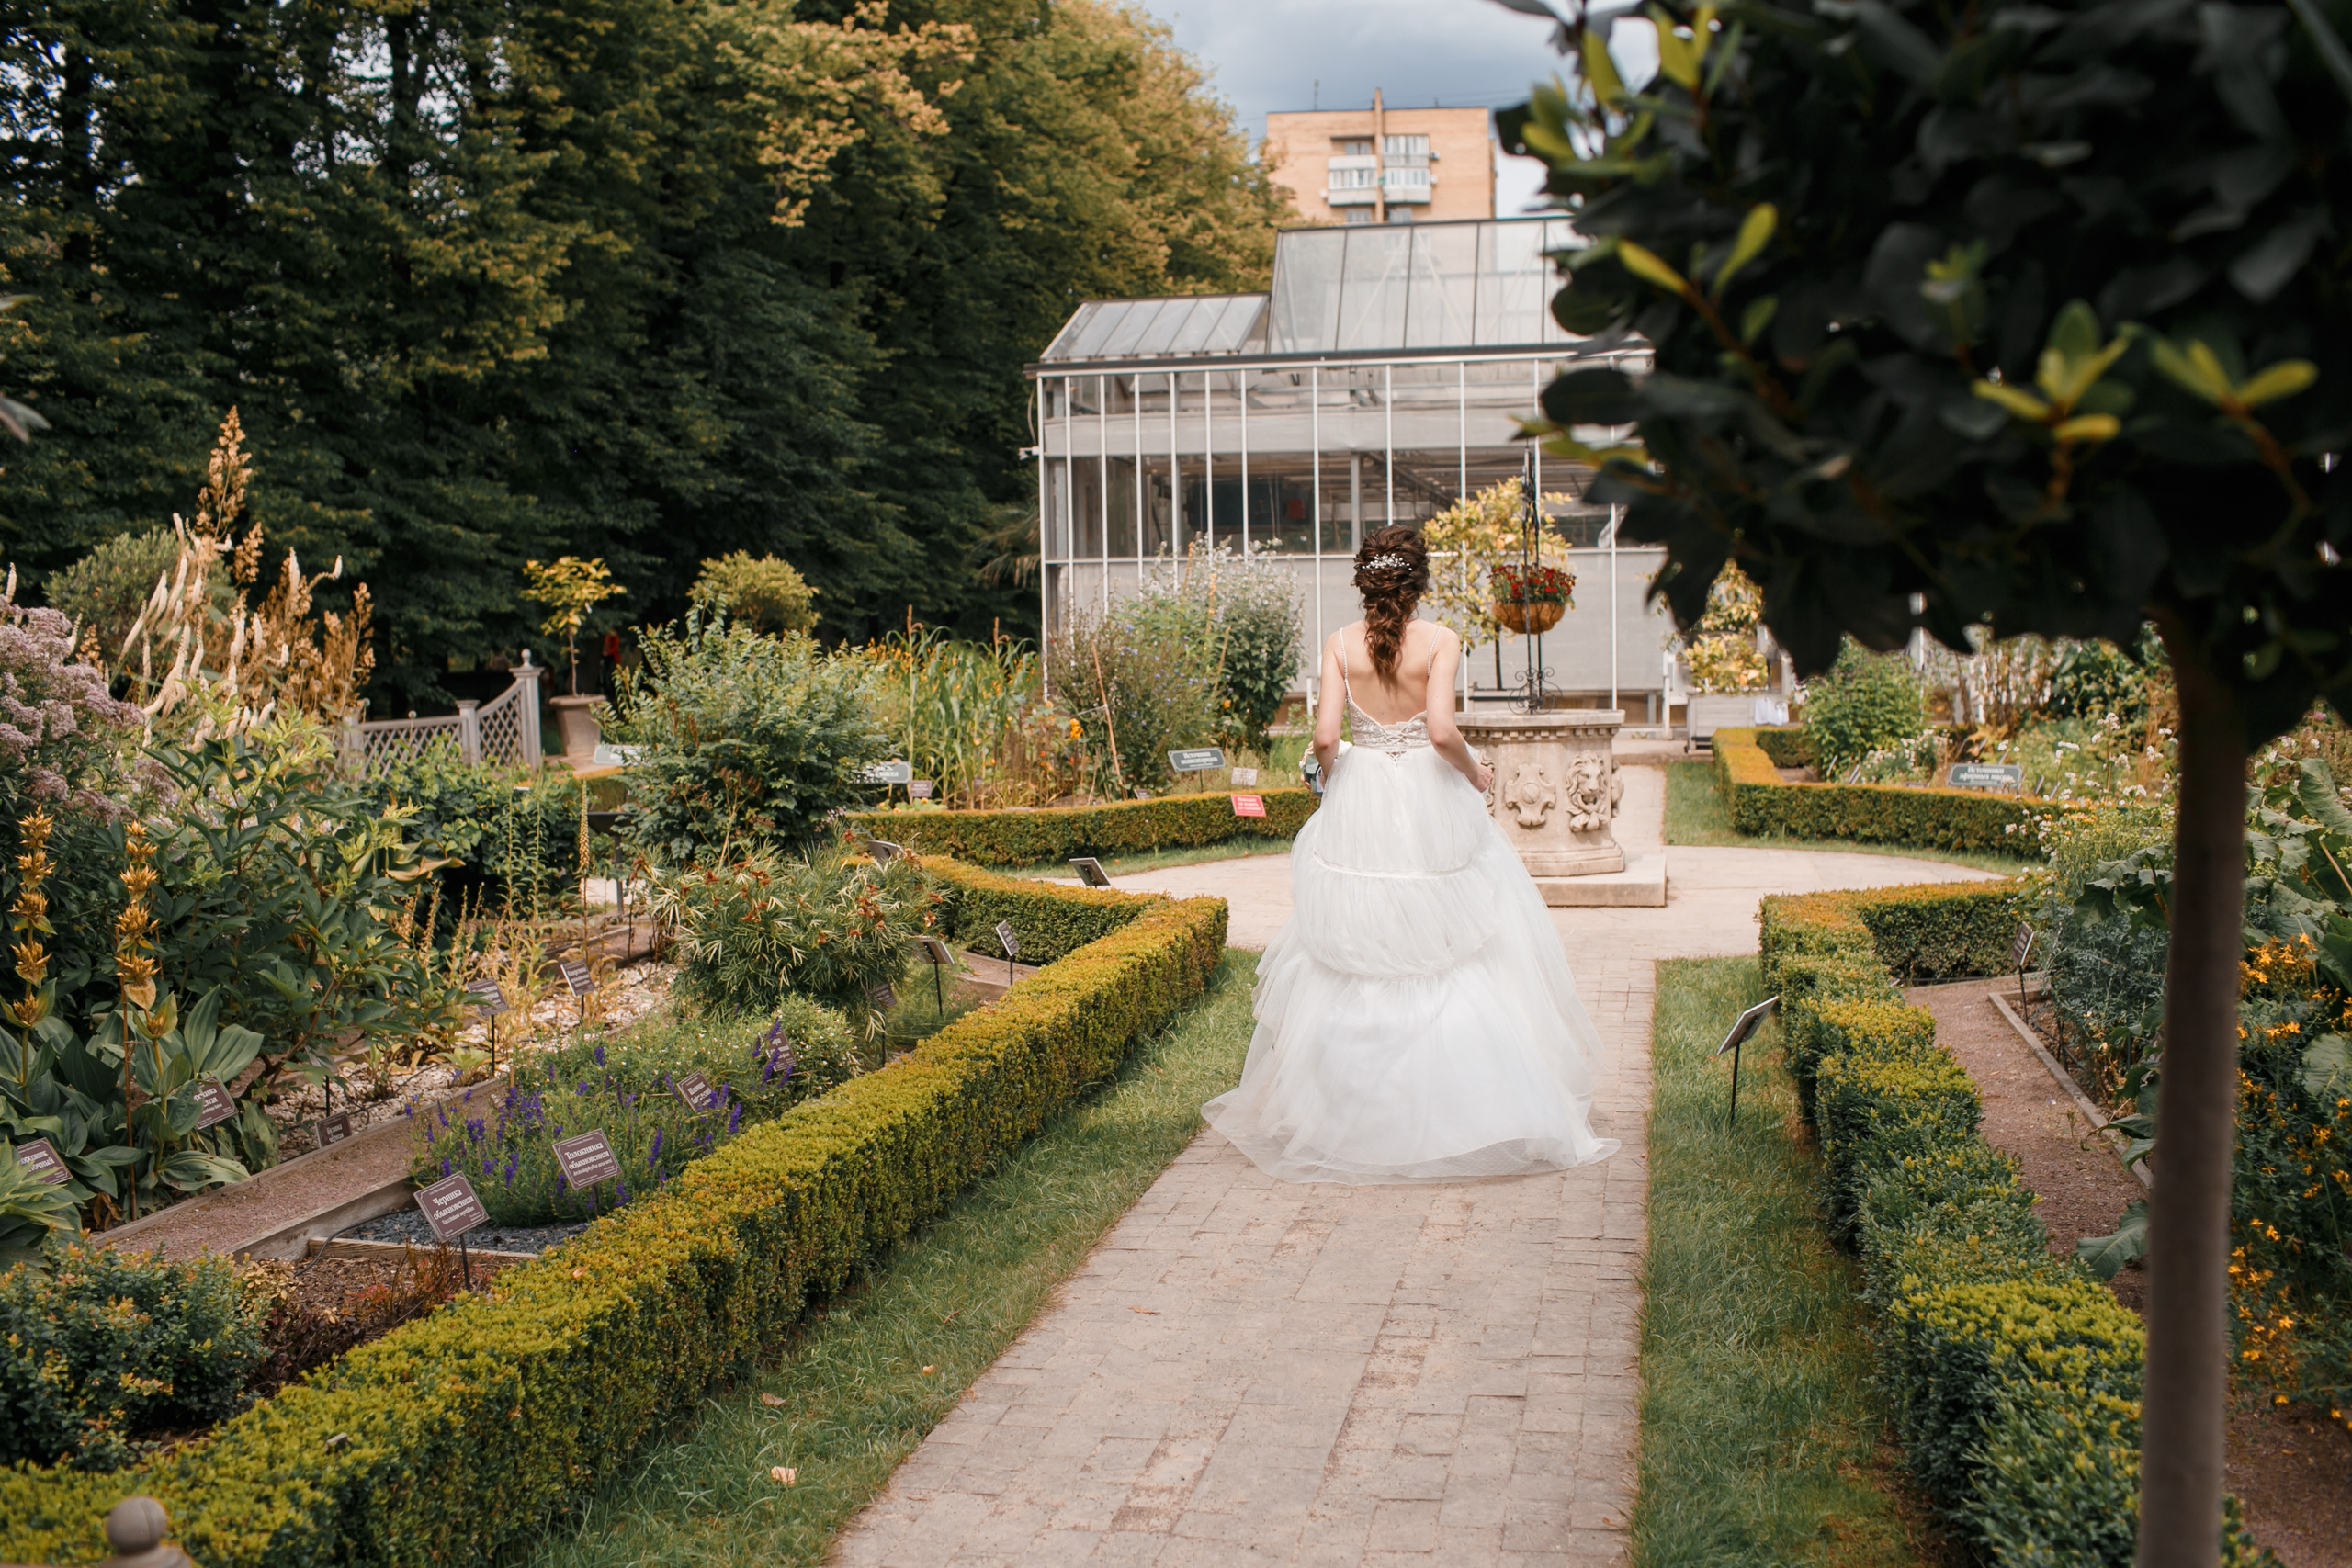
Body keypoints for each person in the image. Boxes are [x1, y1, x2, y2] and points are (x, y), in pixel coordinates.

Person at [1203, 525, 1620, 1183]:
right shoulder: (1442, 641)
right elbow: (1442, 731)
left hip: (1362, 796)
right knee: (1452, 942)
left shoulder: (1341, 644)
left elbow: (1323, 735)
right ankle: (1473, 1107)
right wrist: (1478, 772)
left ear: (1365, 581)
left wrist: (1327, 773)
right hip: (1428, 795)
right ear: (1418, 582)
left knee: (1360, 943)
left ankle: (1353, 1112)